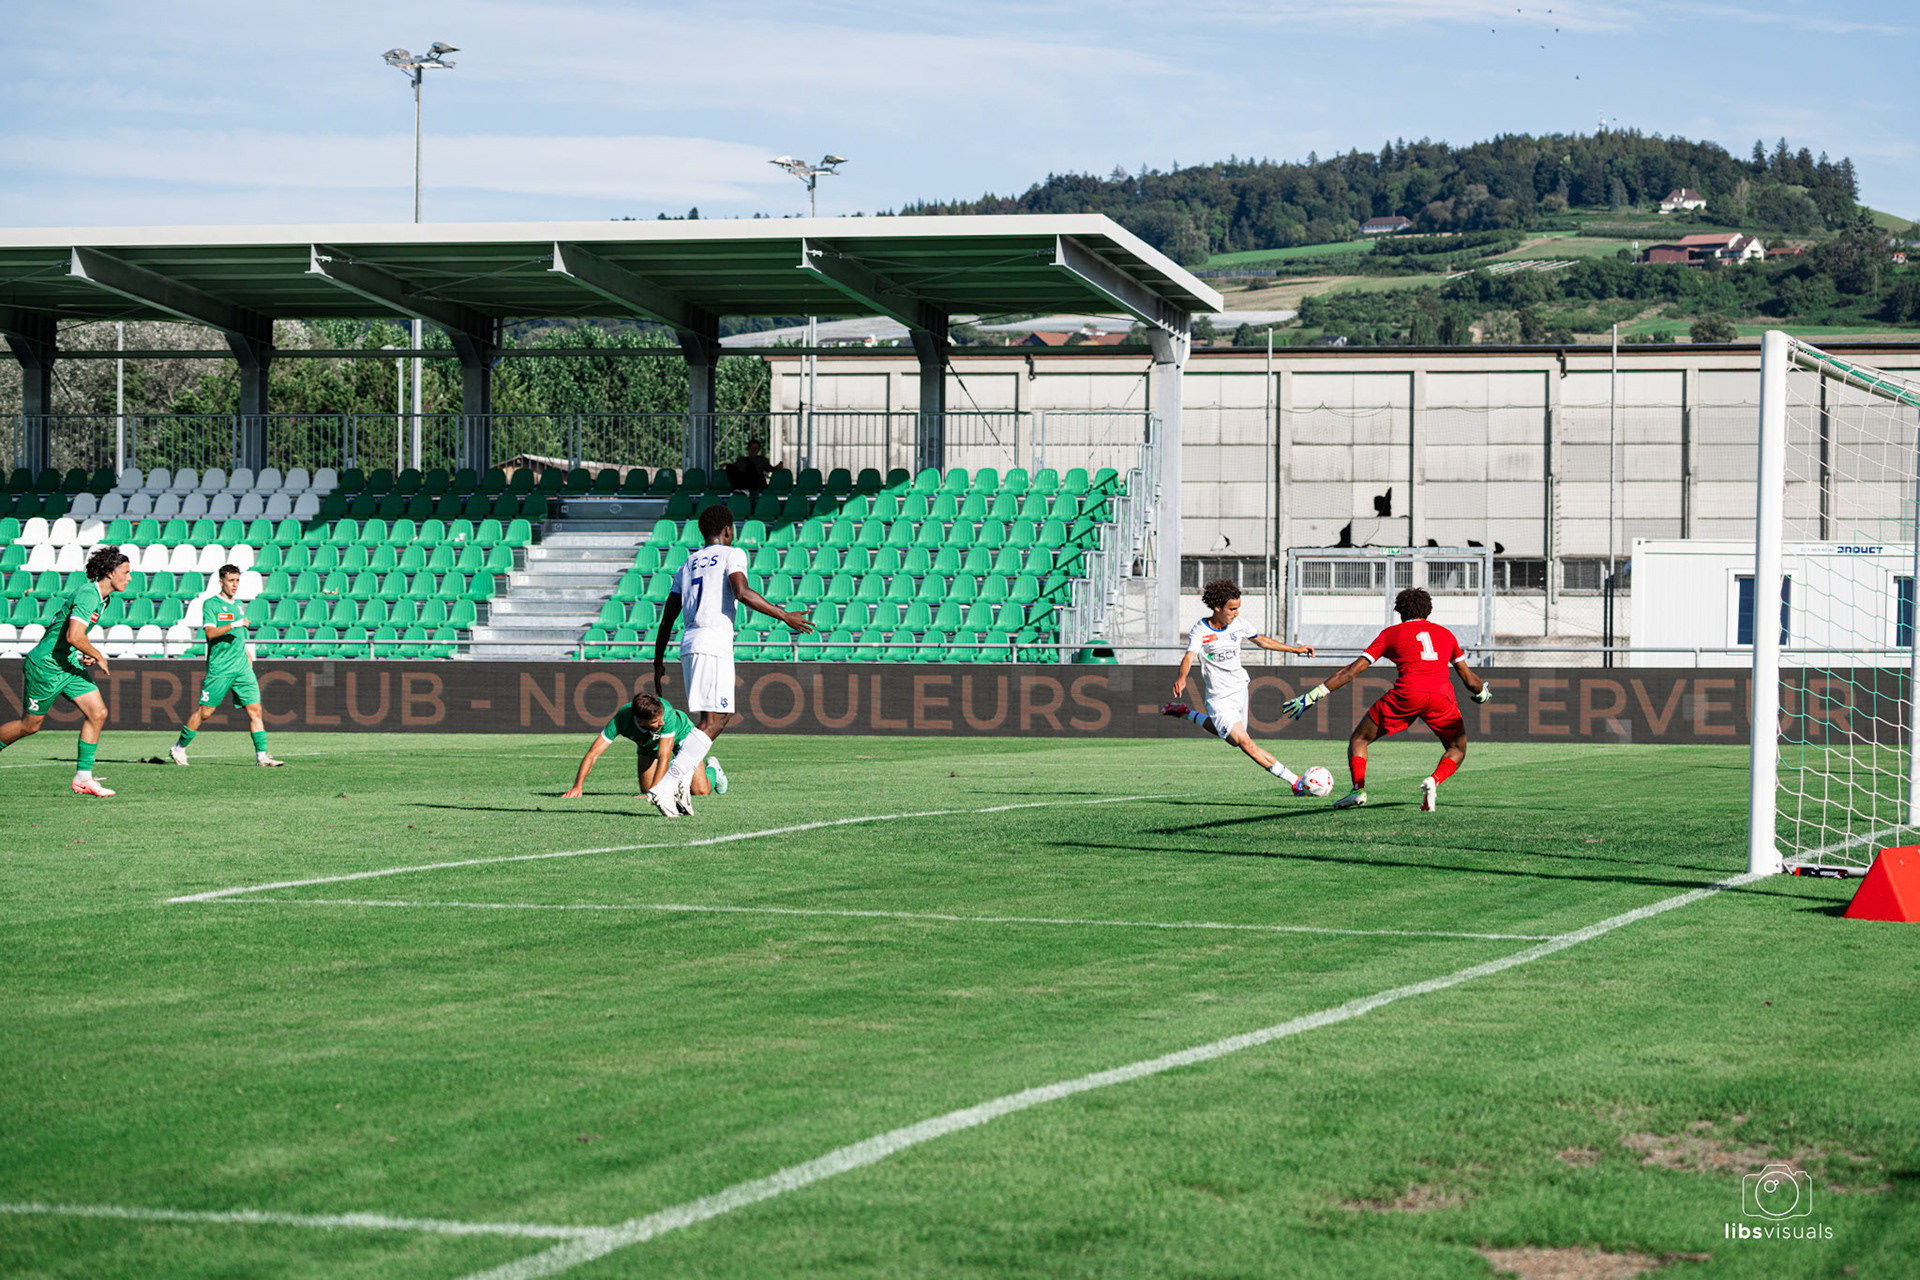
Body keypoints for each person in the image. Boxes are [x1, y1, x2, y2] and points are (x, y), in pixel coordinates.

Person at [645, 503, 813, 817]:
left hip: (689, 643)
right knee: (716, 720)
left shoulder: (686, 564)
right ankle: (666, 785)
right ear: (728, 530)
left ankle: (679, 784)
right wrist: (784, 615)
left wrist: (657, 662)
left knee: (713, 719)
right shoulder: (732, 553)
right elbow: (742, 591)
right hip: (713, 641)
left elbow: (666, 619)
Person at [1282, 587, 1493, 811]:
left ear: (1400, 612)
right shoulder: (1446, 634)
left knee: (1360, 740)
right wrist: (1482, 693)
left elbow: (1352, 671)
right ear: (1428, 610)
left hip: (1407, 693)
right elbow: (1468, 678)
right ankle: (1434, 780)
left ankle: (1357, 790)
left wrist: (1312, 696)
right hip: (1442, 696)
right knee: (1457, 749)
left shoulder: (1391, 634)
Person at [1161, 577, 1321, 791]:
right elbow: (1189, 656)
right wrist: (1182, 677)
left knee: (1232, 739)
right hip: (1219, 699)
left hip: (1240, 689)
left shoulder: (1238, 624)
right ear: (1217, 607)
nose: (1236, 613)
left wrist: (1296, 649)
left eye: (1238, 608)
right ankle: (1295, 781)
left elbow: (1262, 641)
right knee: (1246, 743)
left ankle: (1185, 713)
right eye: (1232, 609)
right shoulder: (1200, 630)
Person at [0, 544, 132, 796]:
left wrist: (85, 653)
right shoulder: (88, 595)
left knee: (98, 712)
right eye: (125, 572)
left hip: (67, 664)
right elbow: (73, 635)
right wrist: (97, 655)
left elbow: (74, 638)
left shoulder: (104, 599)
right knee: (29, 726)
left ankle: (83, 778)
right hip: (46, 666)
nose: (130, 577)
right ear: (109, 572)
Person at [169, 564, 284, 767]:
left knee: (255, 710)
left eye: (237, 580)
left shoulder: (238, 604)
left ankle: (262, 757)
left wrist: (246, 653)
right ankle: (179, 748)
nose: (235, 585)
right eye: (231, 580)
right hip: (220, 668)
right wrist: (234, 624)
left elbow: (239, 636)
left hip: (241, 667)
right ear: (221, 581)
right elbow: (210, 633)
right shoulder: (211, 604)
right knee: (205, 712)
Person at [562, 693, 726, 799]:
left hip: (682, 736)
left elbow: (664, 755)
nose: (661, 722)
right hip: (648, 746)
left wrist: (656, 792)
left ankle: (713, 770)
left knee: (700, 790)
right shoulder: (621, 719)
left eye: (661, 718)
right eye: (656, 722)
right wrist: (577, 787)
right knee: (646, 789)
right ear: (640, 721)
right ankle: (676, 780)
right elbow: (593, 754)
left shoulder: (666, 716)